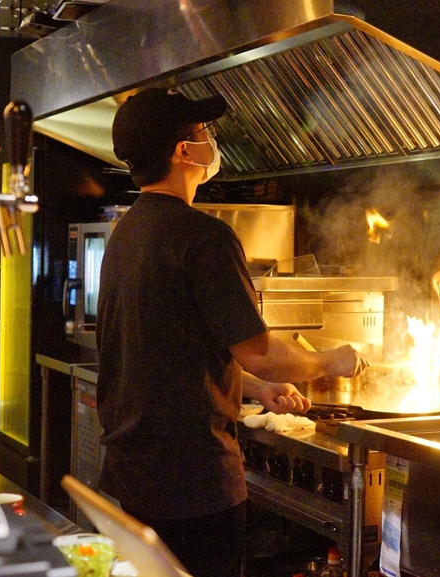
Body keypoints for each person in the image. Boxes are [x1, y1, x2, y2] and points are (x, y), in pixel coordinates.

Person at [96, 88, 367, 577]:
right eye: (204, 133)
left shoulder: (127, 233)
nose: (211, 141)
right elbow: (259, 351)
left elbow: (172, 347)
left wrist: (257, 389)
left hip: (133, 474)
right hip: (191, 485)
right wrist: (330, 360)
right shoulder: (203, 236)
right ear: (183, 151)